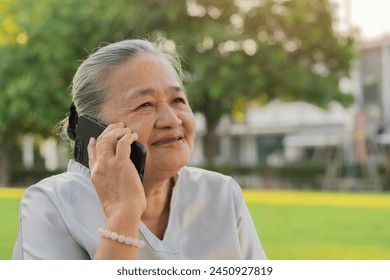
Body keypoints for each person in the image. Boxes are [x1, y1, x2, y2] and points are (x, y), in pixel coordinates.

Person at [12, 39, 267, 260]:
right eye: (145, 104)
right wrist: (124, 211)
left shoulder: (221, 194)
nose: (172, 119)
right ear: (94, 128)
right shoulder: (52, 204)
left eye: (178, 100)